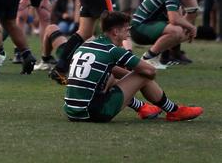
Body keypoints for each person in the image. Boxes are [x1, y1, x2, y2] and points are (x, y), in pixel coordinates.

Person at [63, 10, 202, 122]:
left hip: (72, 111)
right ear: (115, 32)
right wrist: (135, 79)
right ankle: (174, 110)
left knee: (110, 75)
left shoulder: (86, 44)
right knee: (143, 74)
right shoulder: (113, 50)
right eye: (126, 30)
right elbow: (150, 71)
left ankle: (142, 107)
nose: (128, 35)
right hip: (94, 113)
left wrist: (127, 78)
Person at [130, 0, 199, 68]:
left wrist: (189, 24)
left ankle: (155, 58)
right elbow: (174, 19)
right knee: (176, 31)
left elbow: (179, 20)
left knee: (184, 33)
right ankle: (148, 58)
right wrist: (192, 27)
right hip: (138, 28)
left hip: (147, 26)